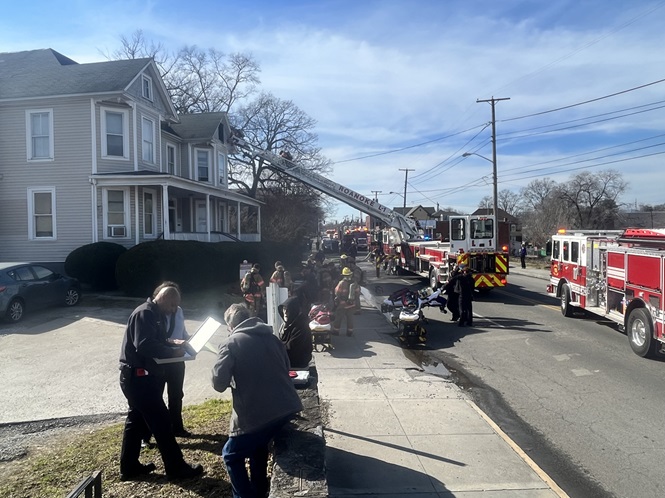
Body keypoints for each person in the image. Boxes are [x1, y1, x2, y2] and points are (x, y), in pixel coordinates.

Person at [212, 304, 303, 498]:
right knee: (258, 444)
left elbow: (218, 384)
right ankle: (259, 489)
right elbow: (286, 368)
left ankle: (244, 496)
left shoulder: (230, 343)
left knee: (231, 455)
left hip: (258, 415)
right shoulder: (272, 338)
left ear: (230, 326)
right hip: (286, 408)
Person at [118, 284, 203, 481]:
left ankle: (129, 467)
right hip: (138, 378)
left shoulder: (155, 315)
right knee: (162, 422)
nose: (174, 310)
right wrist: (172, 352)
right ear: (163, 298)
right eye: (172, 305)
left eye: (176, 306)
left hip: (139, 378)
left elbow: (160, 340)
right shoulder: (145, 314)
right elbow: (145, 345)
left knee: (136, 420)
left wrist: (176, 343)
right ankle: (176, 468)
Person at [278, 296, 313, 369]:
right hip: (287, 361)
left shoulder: (301, 327)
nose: (285, 313)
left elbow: (291, 349)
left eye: (288, 310)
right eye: (284, 309)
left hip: (298, 364)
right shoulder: (285, 325)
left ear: (294, 310)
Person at [331, 267, 360, 336]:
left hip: (342, 304)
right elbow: (358, 293)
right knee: (350, 318)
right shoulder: (354, 283)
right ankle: (349, 332)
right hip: (351, 304)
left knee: (339, 318)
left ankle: (336, 331)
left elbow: (337, 292)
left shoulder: (341, 283)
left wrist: (337, 301)